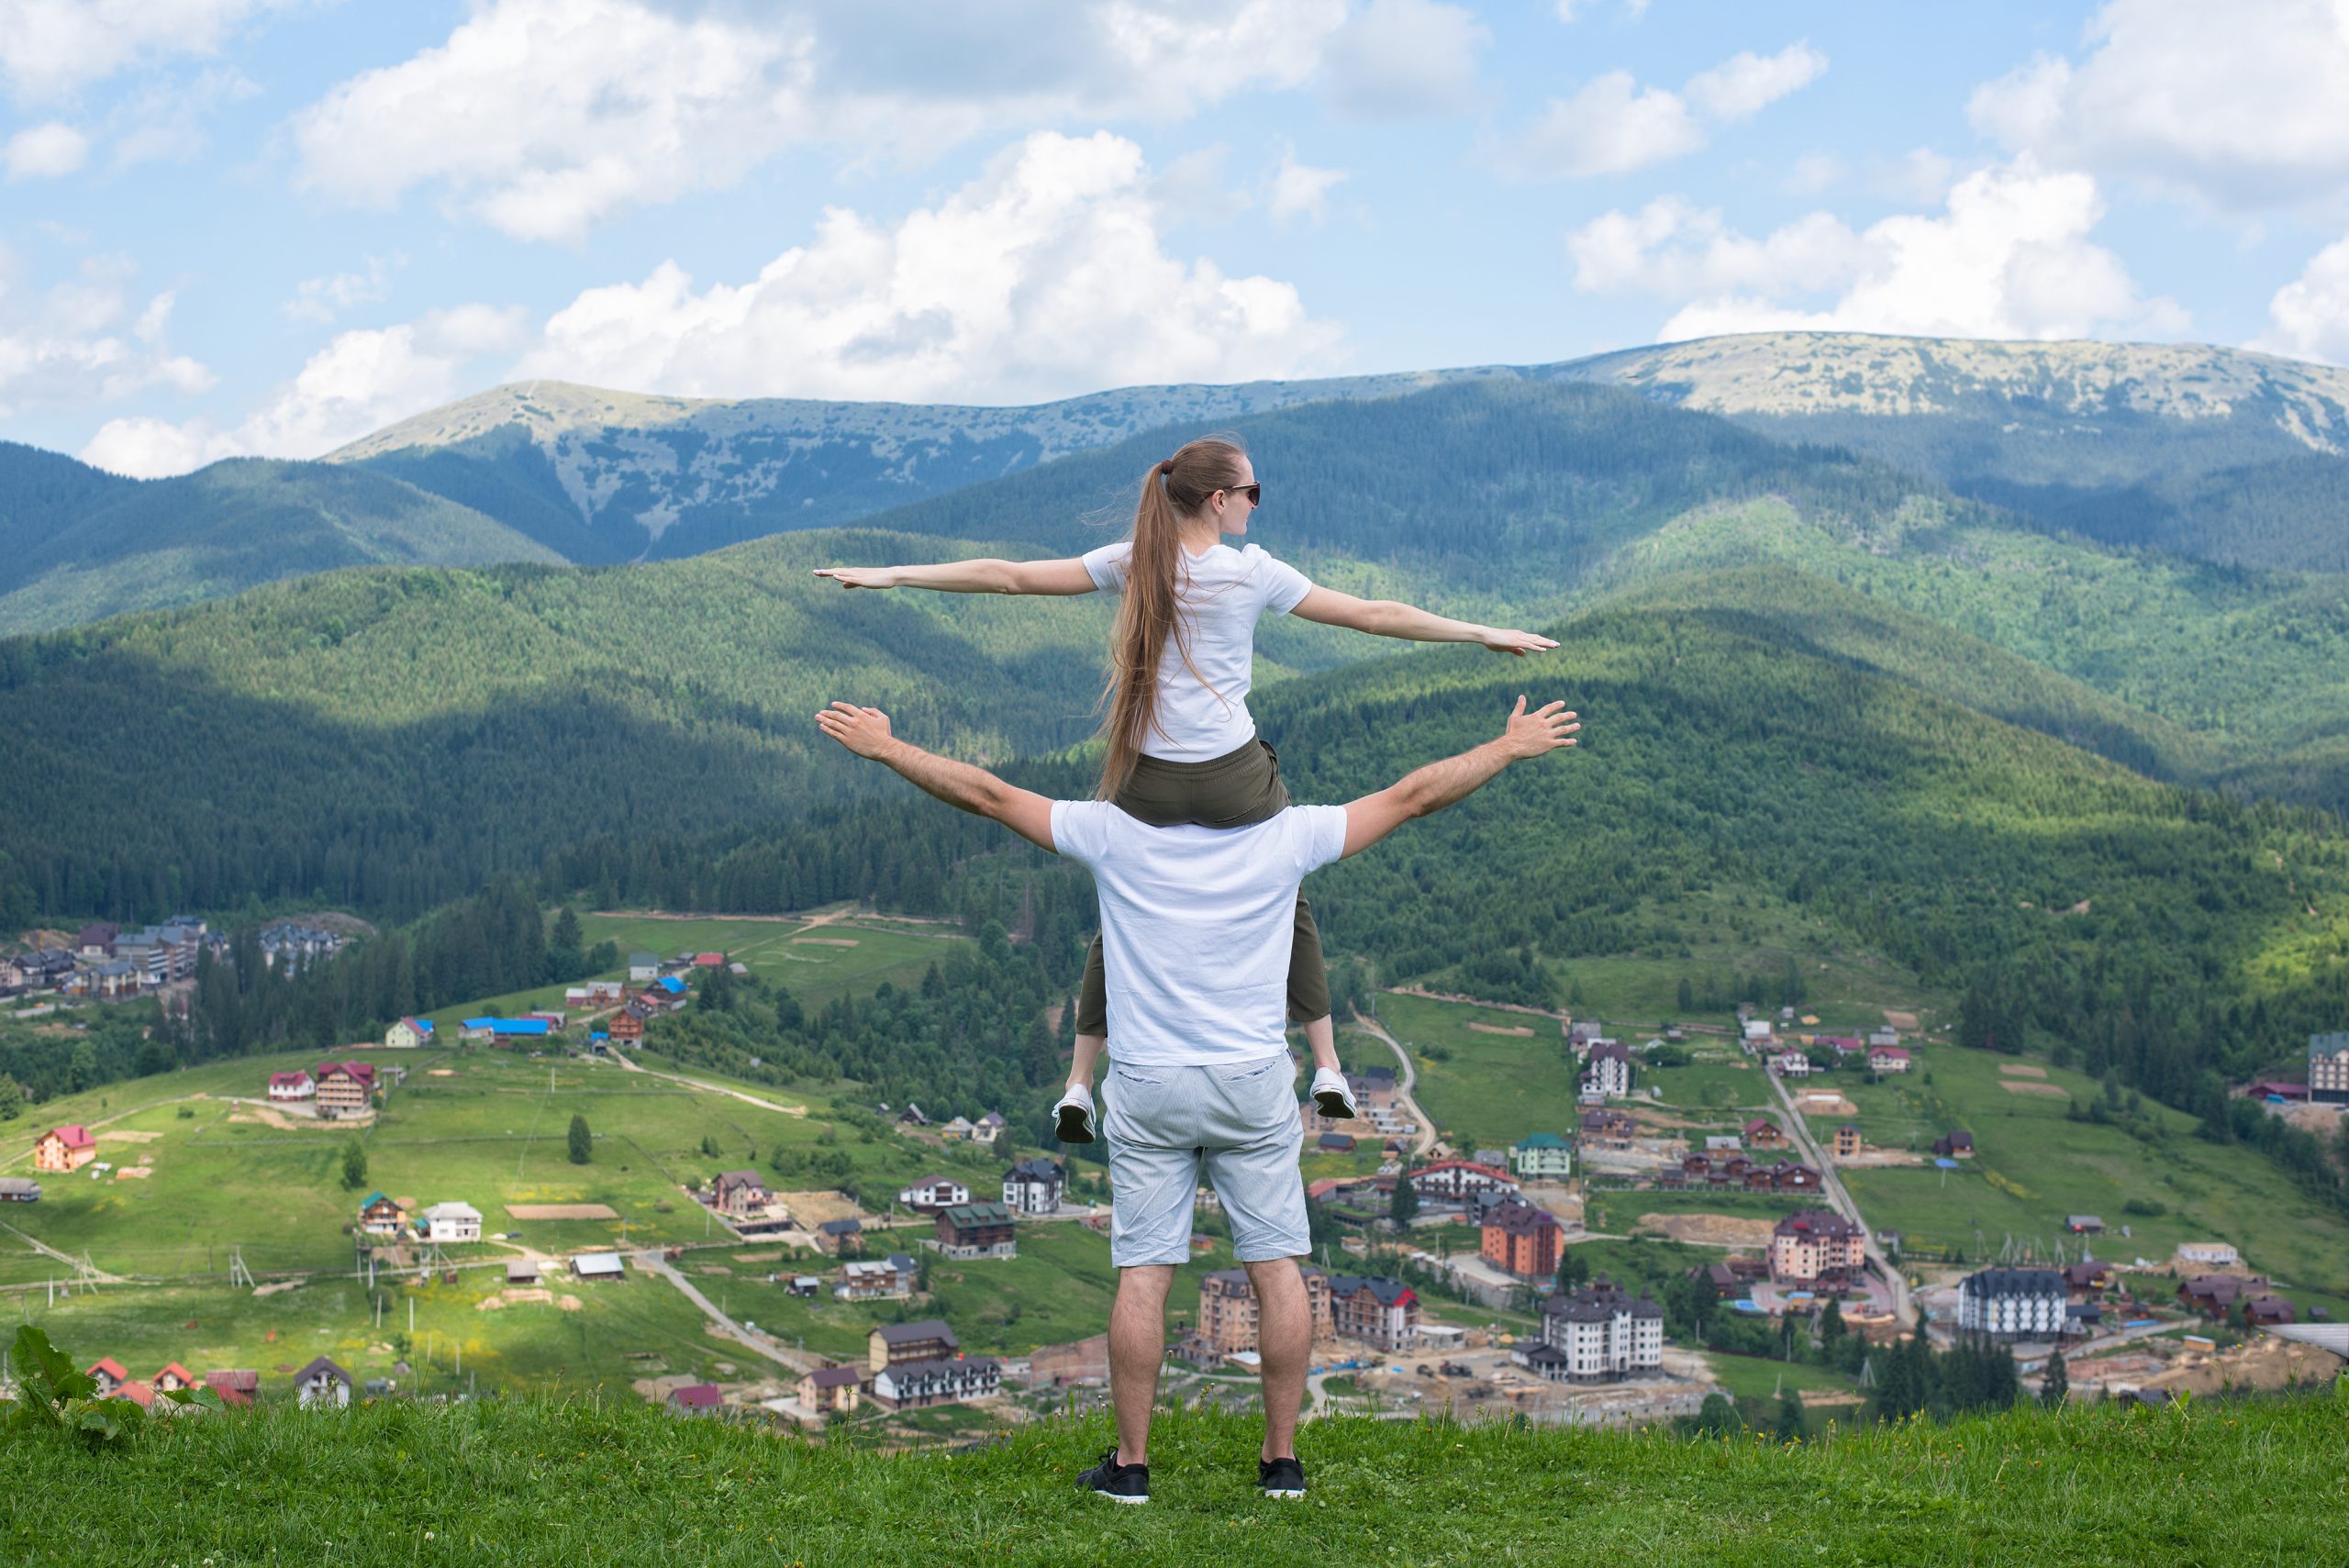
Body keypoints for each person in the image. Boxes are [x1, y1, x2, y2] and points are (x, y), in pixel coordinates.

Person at [815, 690, 1578, 1504]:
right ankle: (1280, 1461)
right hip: (1250, 1081)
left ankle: (1133, 1467)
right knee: (1278, 1269)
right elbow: (1413, 794)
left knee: (1144, 1274)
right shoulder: (1285, 838)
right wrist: (1506, 747)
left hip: (1150, 1081)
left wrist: (888, 748)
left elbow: (988, 794)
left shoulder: (1113, 834)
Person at [814, 438, 1557, 1143]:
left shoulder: (1134, 560)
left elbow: (1006, 574)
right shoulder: (1253, 571)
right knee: (1285, 881)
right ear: (1220, 498)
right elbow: (1374, 617)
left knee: (1125, 890)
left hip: (1147, 784)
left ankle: (1078, 1081)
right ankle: (1327, 1062)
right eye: (1253, 493)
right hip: (1236, 780)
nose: (1256, 506)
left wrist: (889, 575)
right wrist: (1479, 631)